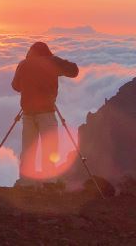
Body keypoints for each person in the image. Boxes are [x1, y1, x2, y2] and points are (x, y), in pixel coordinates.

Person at [12, 41, 79, 186]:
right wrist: (56, 65)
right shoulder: (52, 62)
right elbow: (74, 71)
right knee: (49, 148)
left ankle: (26, 182)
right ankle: (49, 182)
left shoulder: (23, 64)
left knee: (28, 149)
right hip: (46, 113)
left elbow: (16, 86)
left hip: (28, 113)